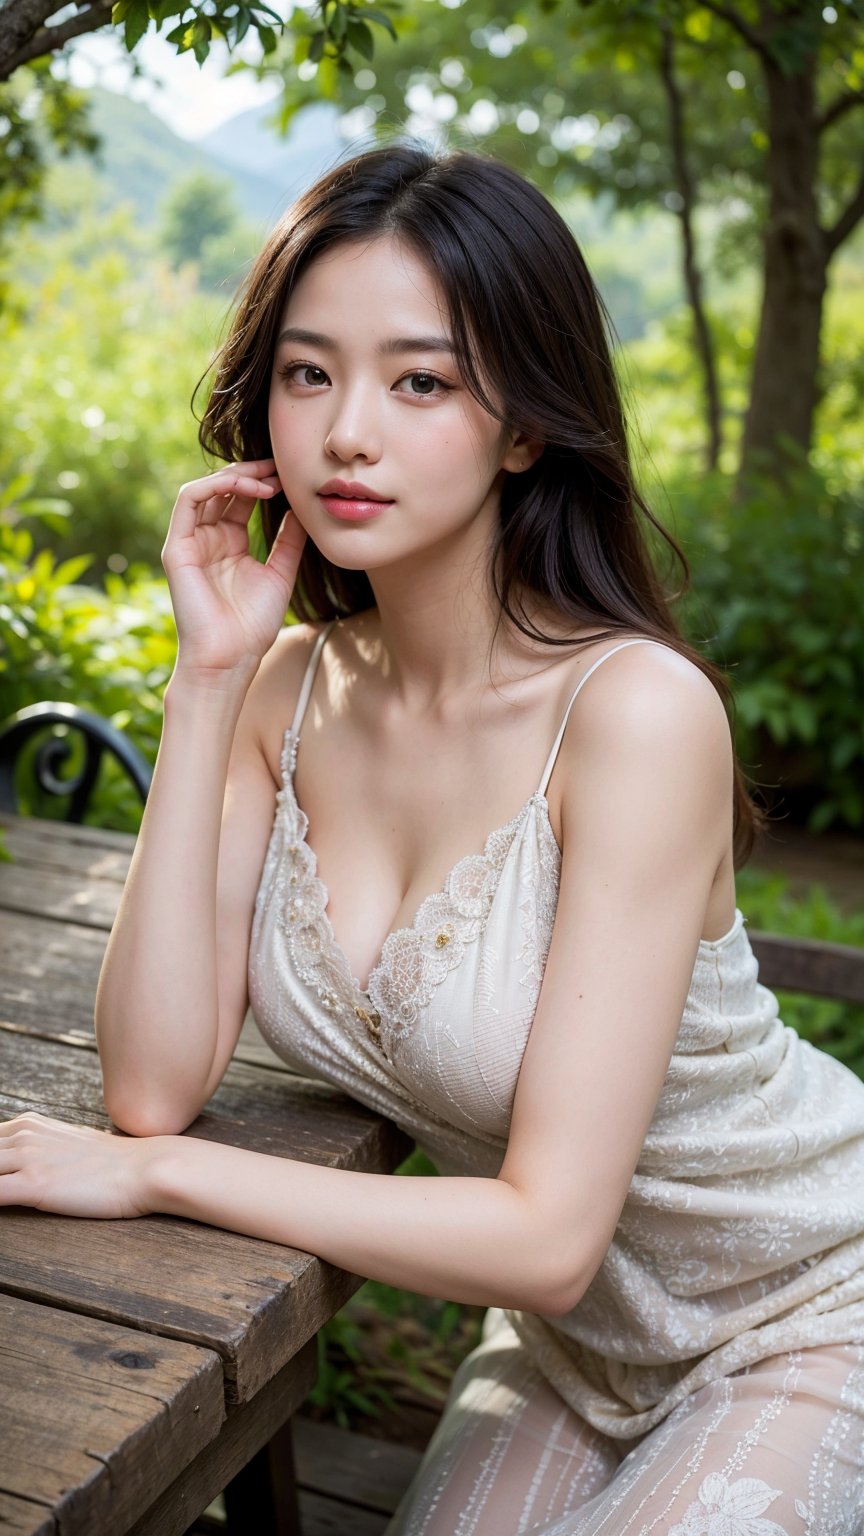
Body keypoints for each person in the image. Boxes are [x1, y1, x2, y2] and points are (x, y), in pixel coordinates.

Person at [2, 143, 864, 1533]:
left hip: (816, 1306)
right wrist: (208, 679)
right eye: (308, 371)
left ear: (524, 426)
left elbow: (546, 1234)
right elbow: (153, 1079)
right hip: (571, 1355)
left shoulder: (634, 715)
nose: (349, 431)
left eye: (422, 381)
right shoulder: (284, 694)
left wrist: (160, 1178)